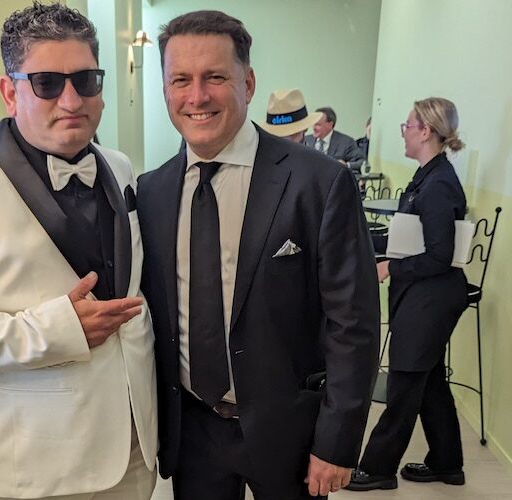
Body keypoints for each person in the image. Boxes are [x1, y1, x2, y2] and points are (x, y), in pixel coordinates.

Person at [0, 4, 157, 500]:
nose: (72, 100)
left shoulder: (120, 165)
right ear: (9, 92)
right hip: (34, 464)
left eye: (86, 80)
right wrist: (57, 331)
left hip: (134, 447)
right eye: (47, 83)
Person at [137, 10, 380, 500]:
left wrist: (337, 440)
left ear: (247, 83)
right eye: (180, 80)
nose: (196, 96)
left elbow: (353, 323)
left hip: (290, 432)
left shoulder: (318, 183)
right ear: (165, 89)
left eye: (215, 77)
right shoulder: (151, 191)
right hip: (194, 432)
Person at [348, 97, 468, 491]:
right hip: (424, 295)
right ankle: (447, 464)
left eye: (407, 125)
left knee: (403, 384)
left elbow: (439, 256)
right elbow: (407, 236)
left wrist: (390, 267)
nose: (403, 132)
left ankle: (378, 468)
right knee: (429, 382)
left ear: (426, 131)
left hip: (432, 299)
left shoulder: (438, 185)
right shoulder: (426, 178)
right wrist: (366, 242)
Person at [304, 107, 366, 172]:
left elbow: (362, 162)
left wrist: (346, 165)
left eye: (318, 124)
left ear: (330, 125)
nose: (313, 128)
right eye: (313, 124)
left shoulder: (346, 142)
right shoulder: (305, 140)